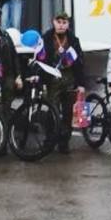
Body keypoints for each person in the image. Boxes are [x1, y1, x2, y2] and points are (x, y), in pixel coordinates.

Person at [42, 11, 87, 153]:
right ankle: (49, 140)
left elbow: (80, 62)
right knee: (52, 110)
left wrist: (81, 84)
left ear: (68, 24)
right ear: (53, 22)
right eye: (59, 22)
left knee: (68, 112)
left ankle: (64, 142)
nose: (61, 25)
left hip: (69, 77)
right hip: (52, 78)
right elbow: (40, 59)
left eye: (64, 23)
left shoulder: (74, 39)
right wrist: (41, 80)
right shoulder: (46, 38)